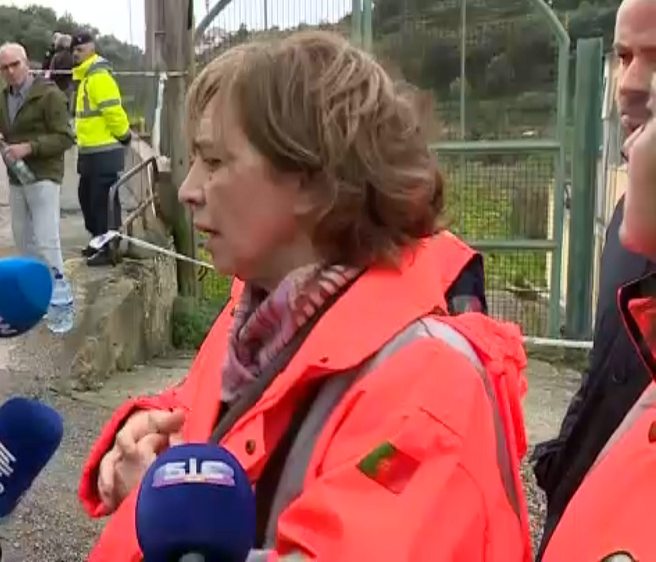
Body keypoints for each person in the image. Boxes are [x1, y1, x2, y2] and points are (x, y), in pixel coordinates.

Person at [78, 31, 532, 561]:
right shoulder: (262, 311)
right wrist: (146, 424)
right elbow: (225, 411)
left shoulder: (427, 392)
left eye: (216, 162)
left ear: (315, 183)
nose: (187, 189)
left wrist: (155, 504)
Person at [532, 0, 656, 551]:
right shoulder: (631, 224)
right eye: (623, 56)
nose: (628, 85)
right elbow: (607, 371)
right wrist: (563, 464)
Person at [0, 43, 76, 334]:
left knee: (48, 240)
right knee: (23, 241)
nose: (11, 72)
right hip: (16, 177)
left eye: (15, 65)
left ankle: (62, 306)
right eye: (4, 67)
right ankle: (34, 300)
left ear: (27, 63)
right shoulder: (2, 96)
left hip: (44, 176)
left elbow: (65, 137)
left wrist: (29, 147)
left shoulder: (50, 95)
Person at [70, 31, 131, 267]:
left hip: (104, 151)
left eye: (81, 49)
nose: (76, 53)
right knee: (87, 198)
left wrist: (124, 135)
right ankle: (98, 241)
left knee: (103, 202)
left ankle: (110, 248)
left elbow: (113, 111)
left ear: (92, 49)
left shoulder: (99, 77)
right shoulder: (86, 77)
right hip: (89, 151)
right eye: (74, 50)